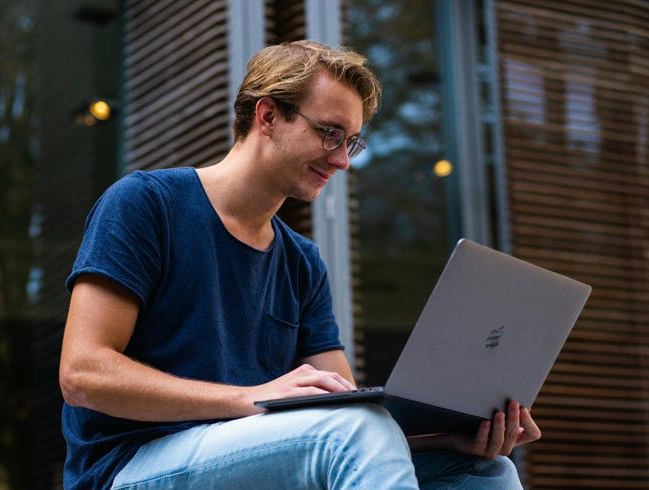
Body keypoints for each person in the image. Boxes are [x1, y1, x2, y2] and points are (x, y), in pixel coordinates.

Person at [59, 40, 541, 489]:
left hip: (251, 457)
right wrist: (248, 398)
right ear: (267, 115)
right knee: (352, 430)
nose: (342, 160)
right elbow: (83, 375)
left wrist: (445, 438)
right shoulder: (147, 204)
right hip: (130, 466)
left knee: (484, 470)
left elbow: (347, 411)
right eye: (330, 133)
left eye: (351, 142)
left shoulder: (301, 261)